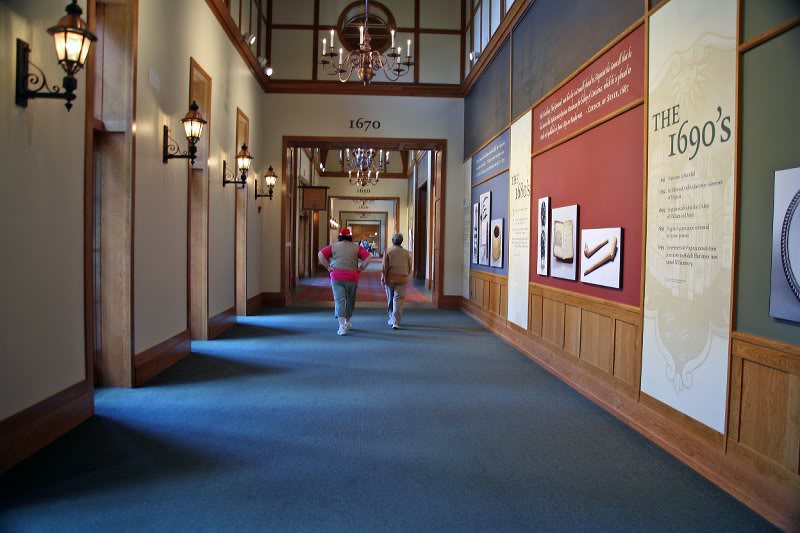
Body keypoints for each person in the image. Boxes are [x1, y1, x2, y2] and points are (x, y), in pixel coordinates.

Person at [318, 228, 372, 335]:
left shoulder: (333, 246)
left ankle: (341, 326)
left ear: (339, 236)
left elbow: (320, 254)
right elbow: (368, 257)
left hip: (336, 276)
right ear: (350, 237)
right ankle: (348, 322)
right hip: (352, 276)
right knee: (350, 299)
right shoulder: (356, 247)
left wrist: (328, 267)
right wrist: (361, 268)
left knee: (339, 300)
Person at [381, 233, 412, 330]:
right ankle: (396, 322)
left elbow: (384, 266)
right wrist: (407, 274)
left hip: (390, 278)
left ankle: (391, 317)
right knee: (399, 299)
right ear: (401, 241)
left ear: (392, 241)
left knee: (390, 299)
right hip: (403, 278)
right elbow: (409, 266)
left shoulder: (388, 251)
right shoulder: (407, 253)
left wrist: (383, 277)